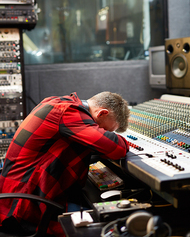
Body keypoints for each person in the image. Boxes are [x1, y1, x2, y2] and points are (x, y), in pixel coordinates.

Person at [0, 91, 130, 236]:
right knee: (104, 228)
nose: (102, 132)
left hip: (17, 197)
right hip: (22, 209)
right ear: (101, 113)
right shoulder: (67, 112)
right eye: (104, 129)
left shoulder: (57, 102)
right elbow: (116, 148)